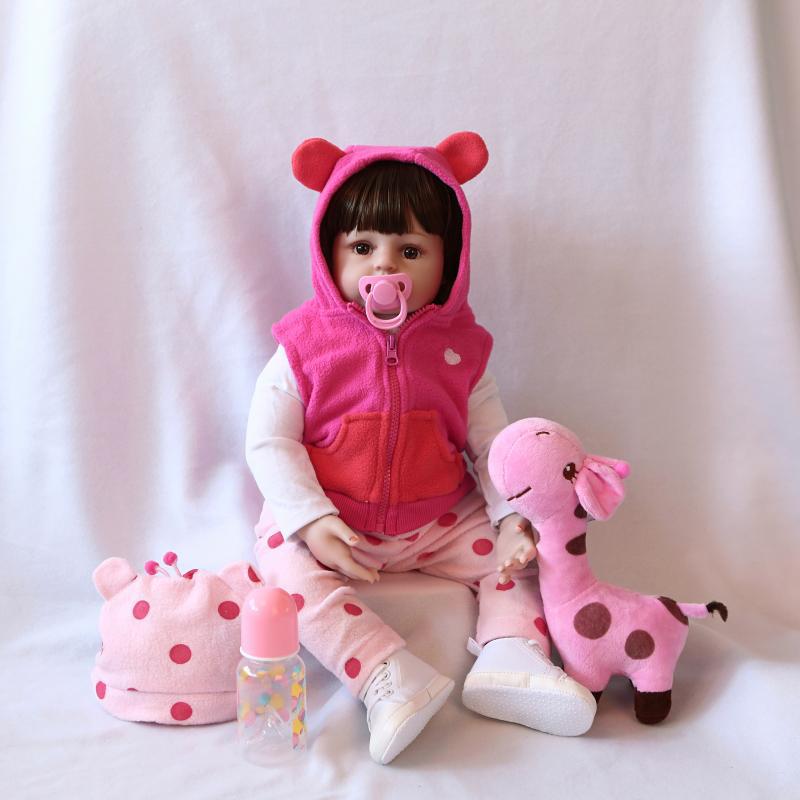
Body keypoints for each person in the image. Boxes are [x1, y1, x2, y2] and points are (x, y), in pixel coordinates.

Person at [245, 133, 596, 765]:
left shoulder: (463, 349)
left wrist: (509, 520)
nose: (385, 268)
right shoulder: (303, 345)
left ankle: (511, 657)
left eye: (409, 250)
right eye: (362, 248)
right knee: (282, 568)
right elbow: (269, 441)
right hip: (336, 522)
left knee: (524, 556)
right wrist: (311, 518)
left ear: (449, 260)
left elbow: (492, 446)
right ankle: (387, 675)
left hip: (438, 519)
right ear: (328, 253)